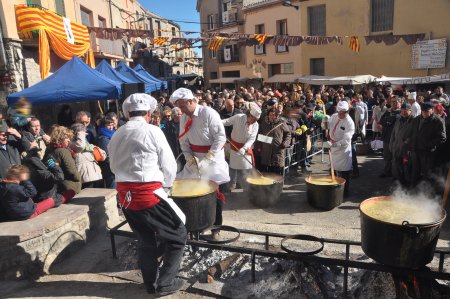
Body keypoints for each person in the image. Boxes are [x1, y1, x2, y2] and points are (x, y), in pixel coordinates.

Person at [108, 93, 186, 296]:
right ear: (149, 113)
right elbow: (169, 164)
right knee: (178, 236)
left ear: (127, 113)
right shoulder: (153, 131)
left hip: (125, 196)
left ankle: (150, 283)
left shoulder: (117, 133)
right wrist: (168, 188)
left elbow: (112, 165)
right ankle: (166, 284)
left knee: (145, 239)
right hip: (148, 194)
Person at [170, 87, 230, 227]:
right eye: (179, 107)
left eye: (183, 106)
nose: (181, 110)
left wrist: (209, 158)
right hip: (195, 160)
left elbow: (220, 137)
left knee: (213, 191)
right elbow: (183, 141)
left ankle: (216, 226)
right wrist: (189, 158)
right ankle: (196, 223)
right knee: (190, 189)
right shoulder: (184, 117)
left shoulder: (208, 113)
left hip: (213, 159)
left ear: (191, 101)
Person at [222, 102, 261, 190]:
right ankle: (232, 186)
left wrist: (244, 148)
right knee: (233, 168)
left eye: (256, 120)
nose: (254, 122)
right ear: (250, 116)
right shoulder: (238, 117)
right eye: (254, 119)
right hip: (234, 146)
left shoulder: (256, 125)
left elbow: (252, 139)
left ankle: (245, 187)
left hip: (245, 148)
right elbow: (226, 122)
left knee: (245, 169)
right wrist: (217, 123)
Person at [409, 102, 447, 186]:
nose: (424, 113)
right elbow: (412, 133)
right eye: (423, 111)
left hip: (428, 152)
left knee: (427, 174)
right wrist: (411, 144)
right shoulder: (416, 119)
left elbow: (442, 138)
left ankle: (427, 193)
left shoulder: (438, 121)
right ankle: (412, 191)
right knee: (415, 171)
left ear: (432, 110)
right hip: (415, 150)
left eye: (427, 111)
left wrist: (428, 144)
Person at [327, 100, 355, 197]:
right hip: (333, 147)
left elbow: (346, 140)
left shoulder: (350, 123)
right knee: (332, 169)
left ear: (347, 112)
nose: (340, 115)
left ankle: (345, 192)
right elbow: (327, 126)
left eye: (343, 113)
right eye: (339, 112)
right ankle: (331, 189)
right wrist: (324, 122)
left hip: (343, 151)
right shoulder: (334, 116)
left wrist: (335, 144)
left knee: (344, 172)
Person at [45, 125, 82, 194]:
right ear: (60, 138)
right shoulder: (63, 151)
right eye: (66, 138)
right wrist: (79, 180)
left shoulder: (50, 148)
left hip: (56, 187)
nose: (69, 140)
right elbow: (72, 170)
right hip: (68, 186)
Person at [256, 108, 292, 175]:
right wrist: (268, 140)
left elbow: (288, 134)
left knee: (277, 174)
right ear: (268, 115)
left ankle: (278, 185)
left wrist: (285, 143)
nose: (273, 117)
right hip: (266, 153)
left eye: (274, 115)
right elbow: (259, 136)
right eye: (271, 115)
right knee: (267, 174)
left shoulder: (281, 123)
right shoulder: (264, 123)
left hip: (278, 152)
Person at [70, 123, 105, 189]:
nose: (85, 133)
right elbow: (80, 146)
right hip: (86, 176)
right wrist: (80, 133)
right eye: (84, 132)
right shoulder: (72, 143)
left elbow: (99, 150)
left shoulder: (85, 142)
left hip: (95, 173)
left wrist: (102, 154)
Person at [389, 103, 414, 186]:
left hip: (406, 149)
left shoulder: (414, 121)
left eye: (406, 110)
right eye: (402, 110)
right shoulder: (398, 119)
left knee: (406, 166)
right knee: (396, 165)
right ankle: (399, 181)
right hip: (396, 147)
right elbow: (393, 133)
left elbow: (415, 135)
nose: (403, 112)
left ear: (410, 111)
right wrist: (391, 144)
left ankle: (407, 183)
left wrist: (407, 142)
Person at [379, 97, 401, 178]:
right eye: (392, 102)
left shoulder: (401, 112)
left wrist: (388, 121)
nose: (393, 103)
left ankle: (396, 175)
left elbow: (392, 121)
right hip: (387, 137)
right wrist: (387, 121)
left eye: (395, 102)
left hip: (396, 139)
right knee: (387, 156)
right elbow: (381, 121)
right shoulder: (388, 111)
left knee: (395, 158)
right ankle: (386, 172)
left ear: (399, 102)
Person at [162, 107, 185, 172]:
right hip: (173, 150)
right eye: (180, 114)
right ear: (175, 115)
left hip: (183, 150)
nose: (182, 115)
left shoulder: (183, 124)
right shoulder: (167, 125)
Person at [96, 117, 116, 188]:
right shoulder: (103, 138)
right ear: (103, 125)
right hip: (109, 166)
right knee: (112, 184)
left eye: (112, 124)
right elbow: (107, 154)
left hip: (113, 164)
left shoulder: (113, 134)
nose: (111, 127)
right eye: (108, 125)